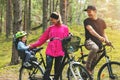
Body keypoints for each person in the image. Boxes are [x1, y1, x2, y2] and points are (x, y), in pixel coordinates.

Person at [29, 12, 69, 80]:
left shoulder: (65, 28)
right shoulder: (50, 28)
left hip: (60, 52)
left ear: (57, 19)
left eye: (52, 20)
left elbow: (67, 40)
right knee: (48, 68)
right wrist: (33, 45)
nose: (51, 21)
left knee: (58, 70)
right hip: (50, 51)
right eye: (51, 20)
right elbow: (42, 39)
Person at [83, 5, 110, 78]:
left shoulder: (101, 21)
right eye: (87, 12)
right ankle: (87, 67)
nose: (88, 13)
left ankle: (88, 75)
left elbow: (104, 33)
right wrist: (99, 37)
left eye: (89, 11)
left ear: (95, 11)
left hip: (99, 44)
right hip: (89, 41)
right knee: (95, 48)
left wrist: (107, 41)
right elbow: (91, 30)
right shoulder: (86, 21)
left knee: (94, 62)